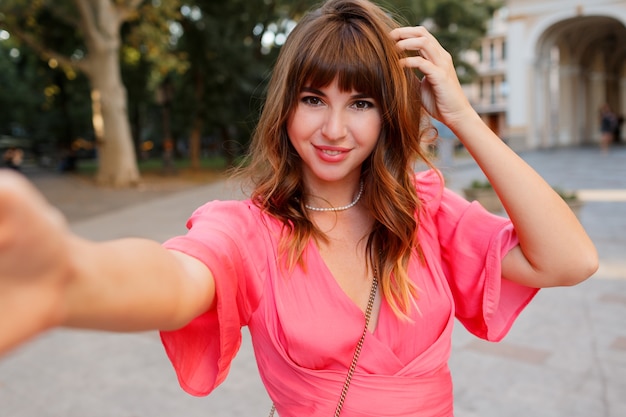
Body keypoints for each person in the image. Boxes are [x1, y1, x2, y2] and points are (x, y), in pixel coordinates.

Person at [0, 0, 598, 416]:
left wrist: (462, 118)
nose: (334, 129)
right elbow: (178, 277)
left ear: (388, 113)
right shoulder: (248, 229)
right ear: (286, 107)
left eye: (361, 102)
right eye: (314, 98)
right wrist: (69, 280)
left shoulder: (427, 214)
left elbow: (569, 261)